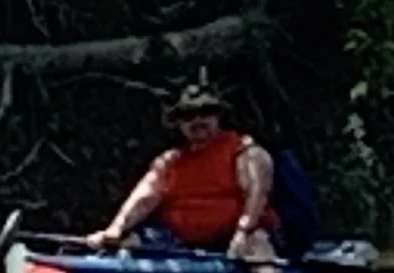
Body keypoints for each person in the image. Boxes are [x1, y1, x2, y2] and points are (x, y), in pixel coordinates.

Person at [87, 84, 278, 260]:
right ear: (179, 124)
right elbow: (143, 200)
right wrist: (115, 229)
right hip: (180, 238)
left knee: (259, 244)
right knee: (129, 243)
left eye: (205, 113)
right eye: (188, 116)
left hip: (240, 236)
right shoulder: (170, 161)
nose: (197, 121)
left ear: (218, 116)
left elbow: (257, 195)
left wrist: (243, 231)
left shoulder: (243, 150)